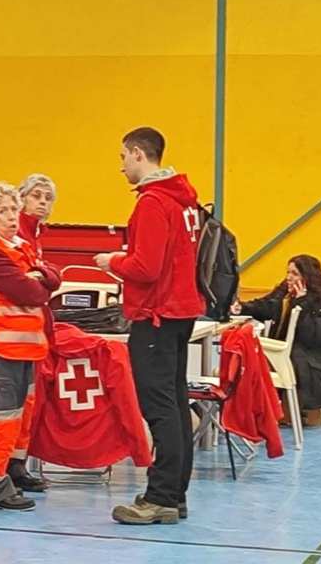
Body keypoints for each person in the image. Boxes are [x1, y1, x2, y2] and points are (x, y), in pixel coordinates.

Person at [93, 127, 203, 525]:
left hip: (157, 315)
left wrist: (113, 263)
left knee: (160, 408)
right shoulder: (182, 201)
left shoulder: (153, 203)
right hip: (178, 312)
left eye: (123, 156)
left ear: (139, 154)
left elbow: (147, 267)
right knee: (173, 403)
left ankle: (160, 496)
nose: (121, 166)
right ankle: (174, 494)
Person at [0, 182, 60, 511]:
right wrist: (38, 280)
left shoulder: (18, 246)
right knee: (0, 419)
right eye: (2, 211)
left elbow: (52, 277)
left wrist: (40, 277)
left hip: (23, 349)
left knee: (18, 416)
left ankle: (9, 471)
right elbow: (32, 292)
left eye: (13, 210)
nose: (11, 217)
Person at [233, 255, 321, 426]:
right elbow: (267, 305)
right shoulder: (285, 293)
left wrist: (302, 303)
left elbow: (312, 337)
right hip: (288, 354)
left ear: (308, 277)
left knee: (255, 360)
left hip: (312, 361)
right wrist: (242, 307)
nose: (289, 277)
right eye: (288, 272)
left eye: (295, 273)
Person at [17, 173, 59, 340]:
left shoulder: (36, 232)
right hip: (19, 321)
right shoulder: (15, 231)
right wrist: (48, 275)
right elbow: (25, 282)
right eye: (36, 196)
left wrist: (46, 273)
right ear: (22, 199)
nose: (43, 201)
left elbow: (43, 273)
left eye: (48, 198)